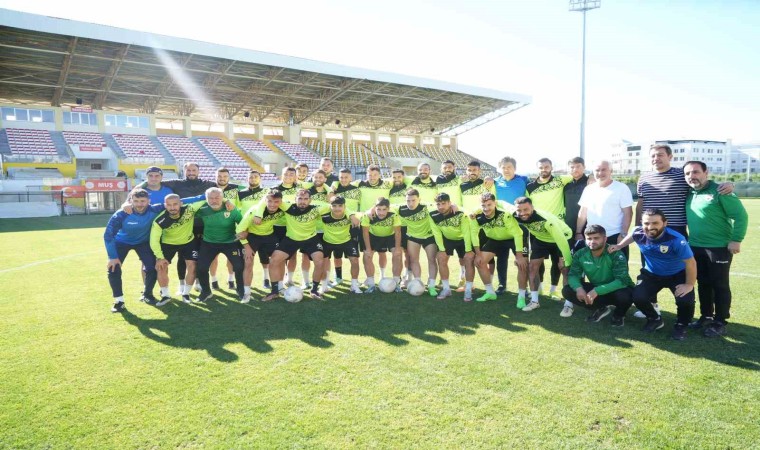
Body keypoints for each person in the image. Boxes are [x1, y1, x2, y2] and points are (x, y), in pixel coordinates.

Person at [633, 144, 733, 318]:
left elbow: (702, 183)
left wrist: (729, 184)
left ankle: (685, 302)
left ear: (670, 157)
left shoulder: (682, 174)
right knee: (649, 267)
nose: (656, 158)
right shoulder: (644, 178)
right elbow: (641, 203)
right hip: (649, 231)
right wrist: (638, 227)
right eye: (653, 155)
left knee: (682, 267)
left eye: (660, 155)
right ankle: (652, 304)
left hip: (675, 230)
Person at [609, 209, 696, 340]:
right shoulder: (638, 232)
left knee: (685, 300)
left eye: (655, 223)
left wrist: (689, 284)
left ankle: (681, 325)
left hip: (677, 274)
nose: (650, 227)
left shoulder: (677, 239)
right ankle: (654, 319)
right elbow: (632, 235)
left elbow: (691, 263)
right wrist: (619, 245)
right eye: (646, 223)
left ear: (665, 223)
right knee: (638, 296)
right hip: (651, 274)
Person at [683, 161, 748, 337]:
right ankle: (706, 316)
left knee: (720, 284)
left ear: (706, 172)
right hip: (695, 247)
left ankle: (720, 321)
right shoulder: (689, 192)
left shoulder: (721, 191)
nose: (691, 176)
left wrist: (736, 240)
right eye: (687, 173)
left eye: (695, 172)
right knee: (703, 283)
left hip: (718, 247)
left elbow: (741, 216)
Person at [261, 189, 331, 301]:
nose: (302, 201)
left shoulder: (316, 209)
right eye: (300, 198)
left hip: (310, 239)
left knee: (319, 261)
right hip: (291, 239)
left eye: (305, 199)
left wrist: (351, 215)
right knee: (273, 261)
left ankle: (314, 291)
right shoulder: (288, 207)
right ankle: (274, 292)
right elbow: (267, 199)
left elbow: (336, 205)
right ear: (295, 199)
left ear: (310, 200)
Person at [104, 188, 161, 312]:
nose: (139, 204)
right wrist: (112, 257)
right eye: (136, 201)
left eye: (143, 201)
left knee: (152, 267)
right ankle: (119, 301)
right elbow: (108, 235)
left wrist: (203, 197)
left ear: (148, 201)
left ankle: (147, 294)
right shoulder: (122, 214)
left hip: (143, 243)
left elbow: (177, 201)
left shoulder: (155, 209)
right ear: (131, 201)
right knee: (113, 268)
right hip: (121, 242)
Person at [564, 225, 634, 325]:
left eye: (596, 238)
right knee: (567, 290)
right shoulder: (580, 254)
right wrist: (578, 288)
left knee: (625, 295)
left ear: (605, 239)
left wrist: (597, 290)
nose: (592, 241)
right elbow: (573, 275)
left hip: (617, 289)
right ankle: (601, 308)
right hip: (597, 289)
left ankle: (619, 315)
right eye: (589, 239)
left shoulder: (615, 253)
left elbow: (622, 281)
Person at [513, 196, 573, 313]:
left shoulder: (546, 220)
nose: (522, 213)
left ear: (532, 207)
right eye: (519, 210)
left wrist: (566, 259)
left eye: (526, 209)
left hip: (562, 238)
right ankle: (534, 301)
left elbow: (561, 240)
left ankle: (568, 304)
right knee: (532, 267)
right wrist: (477, 211)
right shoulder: (515, 214)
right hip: (541, 239)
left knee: (565, 268)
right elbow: (501, 204)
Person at [526, 158, 576, 298]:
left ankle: (553, 290)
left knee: (558, 262)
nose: (544, 169)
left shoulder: (560, 180)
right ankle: (539, 288)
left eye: (546, 167)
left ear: (551, 167)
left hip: (557, 229)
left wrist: (590, 178)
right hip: (538, 229)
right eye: (541, 167)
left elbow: (577, 174)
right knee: (538, 261)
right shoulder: (530, 187)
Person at [471, 193, 527, 303]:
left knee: (522, 264)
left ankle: (522, 296)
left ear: (495, 203)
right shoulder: (477, 217)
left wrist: (519, 256)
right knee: (480, 262)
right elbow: (474, 234)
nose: (486, 208)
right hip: (495, 239)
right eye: (483, 206)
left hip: (514, 238)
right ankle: (490, 293)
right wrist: (478, 254)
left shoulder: (504, 214)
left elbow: (517, 234)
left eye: (489, 205)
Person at [150, 194, 206, 304]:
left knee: (193, 266)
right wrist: (159, 257)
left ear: (181, 203)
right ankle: (165, 295)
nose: (172, 208)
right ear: (165, 205)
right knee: (161, 267)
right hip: (168, 244)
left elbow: (211, 198)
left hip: (188, 242)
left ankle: (186, 294)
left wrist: (226, 201)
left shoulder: (190, 209)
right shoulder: (159, 220)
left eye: (175, 204)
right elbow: (154, 240)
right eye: (169, 205)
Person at [194, 187, 245, 303]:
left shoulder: (231, 208)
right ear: (206, 199)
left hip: (230, 242)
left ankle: (240, 290)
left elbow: (242, 223)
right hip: (209, 243)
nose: (214, 201)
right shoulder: (202, 208)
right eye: (210, 198)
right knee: (201, 268)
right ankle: (206, 292)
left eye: (217, 198)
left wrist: (244, 232)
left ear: (222, 198)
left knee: (239, 266)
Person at [575, 160, 633, 259]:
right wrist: (578, 232)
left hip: (615, 236)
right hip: (592, 238)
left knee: (618, 268)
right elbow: (583, 212)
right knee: (593, 268)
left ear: (611, 171)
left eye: (603, 170)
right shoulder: (588, 189)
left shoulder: (622, 188)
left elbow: (628, 213)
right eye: (597, 170)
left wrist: (623, 234)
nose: (600, 173)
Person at [236, 189, 286, 303]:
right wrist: (247, 247)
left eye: (276, 202)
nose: (273, 205)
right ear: (265, 200)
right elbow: (239, 231)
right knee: (248, 262)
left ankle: (278, 288)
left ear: (281, 202)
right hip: (253, 237)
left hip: (269, 236)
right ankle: (246, 293)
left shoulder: (283, 209)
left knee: (279, 260)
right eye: (270, 201)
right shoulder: (254, 211)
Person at [428, 192, 475, 301]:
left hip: (463, 239)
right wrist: (442, 249)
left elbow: (466, 232)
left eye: (443, 203)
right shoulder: (433, 215)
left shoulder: (460, 213)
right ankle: (446, 289)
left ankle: (468, 289)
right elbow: (436, 233)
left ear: (450, 203)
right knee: (441, 258)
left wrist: (468, 250)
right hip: (448, 239)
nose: (441, 207)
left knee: (468, 260)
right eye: (438, 204)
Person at [394, 188, 439, 297]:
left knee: (432, 260)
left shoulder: (427, 207)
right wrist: (371, 210)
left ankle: (432, 286)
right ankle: (418, 282)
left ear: (419, 199)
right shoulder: (400, 209)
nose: (411, 203)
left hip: (429, 237)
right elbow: (383, 206)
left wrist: (454, 206)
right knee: (414, 260)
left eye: (413, 200)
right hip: (413, 237)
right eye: (408, 201)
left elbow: (444, 206)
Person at [320, 196, 362, 294]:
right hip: (328, 241)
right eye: (334, 206)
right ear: (330, 206)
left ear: (344, 206)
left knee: (355, 260)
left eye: (340, 206)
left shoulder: (351, 215)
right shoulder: (324, 215)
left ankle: (354, 285)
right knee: (323, 262)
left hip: (346, 241)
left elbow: (366, 213)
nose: (337, 208)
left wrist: (353, 216)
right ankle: (324, 286)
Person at [237, 170, 271, 288]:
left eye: (256, 177)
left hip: (263, 227)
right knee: (247, 258)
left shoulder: (266, 192)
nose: (253, 179)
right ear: (247, 179)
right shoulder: (240, 193)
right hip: (246, 229)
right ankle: (245, 285)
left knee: (265, 256)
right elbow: (238, 209)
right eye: (251, 177)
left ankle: (266, 278)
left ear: (260, 179)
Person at [361, 197, 403, 293]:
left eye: (384, 209)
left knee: (398, 255)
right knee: (367, 256)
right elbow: (365, 233)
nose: (381, 212)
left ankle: (396, 284)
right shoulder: (368, 215)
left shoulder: (394, 214)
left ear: (388, 209)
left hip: (390, 236)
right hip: (374, 236)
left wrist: (397, 248)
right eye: (379, 209)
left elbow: (398, 232)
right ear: (374, 208)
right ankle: (371, 285)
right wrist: (368, 249)